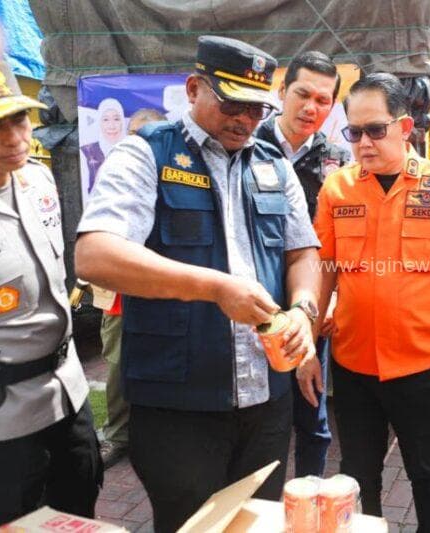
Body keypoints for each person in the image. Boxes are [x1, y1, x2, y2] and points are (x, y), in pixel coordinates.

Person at [75, 36, 320, 531]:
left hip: (265, 403)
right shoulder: (146, 154)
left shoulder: (273, 166)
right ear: (193, 88)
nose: (246, 120)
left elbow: (303, 252)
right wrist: (214, 287)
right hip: (178, 405)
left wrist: (303, 309)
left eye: (256, 108)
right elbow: (94, 253)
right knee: (190, 523)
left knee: (255, 523)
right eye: (233, 103)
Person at [307, 72, 430, 532]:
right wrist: (310, 343)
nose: (364, 142)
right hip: (352, 362)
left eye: (375, 130)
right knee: (358, 474)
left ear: (405, 128)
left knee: (428, 470)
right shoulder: (337, 189)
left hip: (423, 363)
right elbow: (324, 267)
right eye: (354, 132)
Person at [0, 65, 102, 523]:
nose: (14, 137)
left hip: (69, 394)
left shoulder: (38, 180)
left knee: (78, 513)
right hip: (9, 419)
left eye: (18, 120)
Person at [255, 51, 349, 478]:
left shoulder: (338, 164)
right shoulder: (247, 146)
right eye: (302, 94)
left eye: (324, 100)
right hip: (252, 304)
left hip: (310, 306)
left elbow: (344, 241)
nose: (311, 108)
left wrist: (330, 300)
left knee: (311, 412)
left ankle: (309, 502)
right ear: (281, 91)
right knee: (256, 417)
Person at [97, 108, 166, 469]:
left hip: (164, 300)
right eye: (136, 134)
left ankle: (154, 437)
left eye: (150, 134)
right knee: (118, 368)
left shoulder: (174, 177)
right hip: (122, 300)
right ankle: (117, 436)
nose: (143, 141)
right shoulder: (117, 174)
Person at [80, 97, 125, 194]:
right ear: (99, 123)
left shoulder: (131, 151)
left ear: (122, 122)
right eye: (105, 119)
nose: (112, 126)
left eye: (116, 119)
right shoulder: (87, 152)